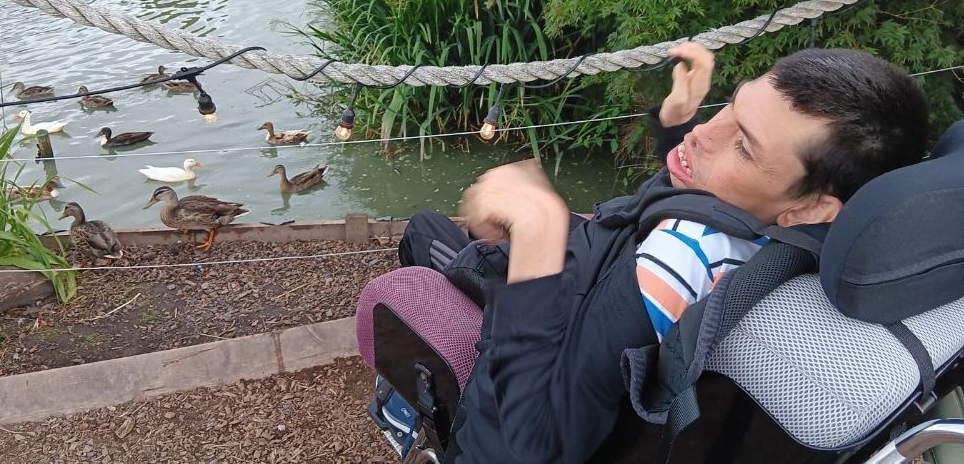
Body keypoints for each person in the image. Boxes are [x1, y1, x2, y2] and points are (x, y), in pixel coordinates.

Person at [395, 43, 930, 463]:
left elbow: (533, 443)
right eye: (730, 105)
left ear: (811, 206)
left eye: (744, 145)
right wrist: (673, 125)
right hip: (586, 281)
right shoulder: (783, 238)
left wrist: (539, 232)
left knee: (424, 230)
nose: (704, 133)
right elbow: (691, 209)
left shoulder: (677, 260)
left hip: (534, 340)